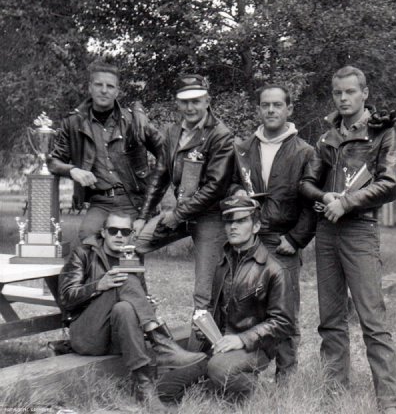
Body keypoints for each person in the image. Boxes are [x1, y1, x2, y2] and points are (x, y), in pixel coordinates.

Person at [299, 66, 396, 414]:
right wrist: (327, 198)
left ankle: (390, 402)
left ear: (365, 93)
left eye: (350, 92)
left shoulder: (383, 134)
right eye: (337, 93)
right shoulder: (327, 137)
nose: (343, 98)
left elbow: (389, 185)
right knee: (330, 318)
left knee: (372, 320)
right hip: (327, 230)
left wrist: (347, 202)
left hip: (360, 230)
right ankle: (334, 394)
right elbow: (307, 183)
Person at [59, 212, 206, 410]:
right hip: (87, 335)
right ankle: (162, 344)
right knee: (125, 279)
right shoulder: (83, 253)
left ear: (131, 235)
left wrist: (147, 304)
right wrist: (98, 286)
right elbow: (66, 297)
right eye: (113, 231)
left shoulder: (132, 257)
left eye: (125, 231)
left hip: (119, 336)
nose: (119, 235)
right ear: (103, 232)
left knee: (126, 307)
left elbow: (137, 298)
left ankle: (145, 390)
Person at [157, 195, 294, 400]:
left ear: (256, 227)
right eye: (229, 221)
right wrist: (204, 327)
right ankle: (217, 388)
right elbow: (216, 307)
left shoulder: (274, 270)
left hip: (254, 349)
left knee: (218, 368)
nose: (233, 227)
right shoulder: (223, 262)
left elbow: (283, 323)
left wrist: (241, 339)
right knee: (166, 386)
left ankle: (260, 394)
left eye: (241, 221)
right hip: (219, 345)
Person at [229, 84, 315, 379]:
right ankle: (244, 371)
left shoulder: (304, 151)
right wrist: (239, 197)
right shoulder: (242, 149)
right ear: (258, 109)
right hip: (249, 241)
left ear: (289, 109)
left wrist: (296, 238)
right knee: (244, 305)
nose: (271, 110)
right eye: (265, 105)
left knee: (285, 313)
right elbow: (229, 187)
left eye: (277, 105)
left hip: (282, 242)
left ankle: (286, 380)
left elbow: (311, 203)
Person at [133, 74, 234, 318]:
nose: (190, 107)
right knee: (132, 246)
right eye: (184, 102)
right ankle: (141, 310)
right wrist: (143, 216)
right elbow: (160, 175)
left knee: (204, 294)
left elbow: (216, 187)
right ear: (177, 104)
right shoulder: (171, 132)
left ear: (207, 100)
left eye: (196, 101)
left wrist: (177, 215)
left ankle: (206, 349)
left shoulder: (220, 135)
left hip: (210, 216)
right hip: (181, 213)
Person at [48, 60, 162, 241]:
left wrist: (151, 189)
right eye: (99, 84)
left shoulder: (134, 121)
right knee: (87, 239)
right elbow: (52, 162)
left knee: (129, 250)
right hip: (99, 201)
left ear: (117, 91)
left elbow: (166, 155)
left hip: (131, 200)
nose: (104, 90)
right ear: (89, 88)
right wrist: (73, 170)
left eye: (110, 86)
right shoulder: (72, 123)